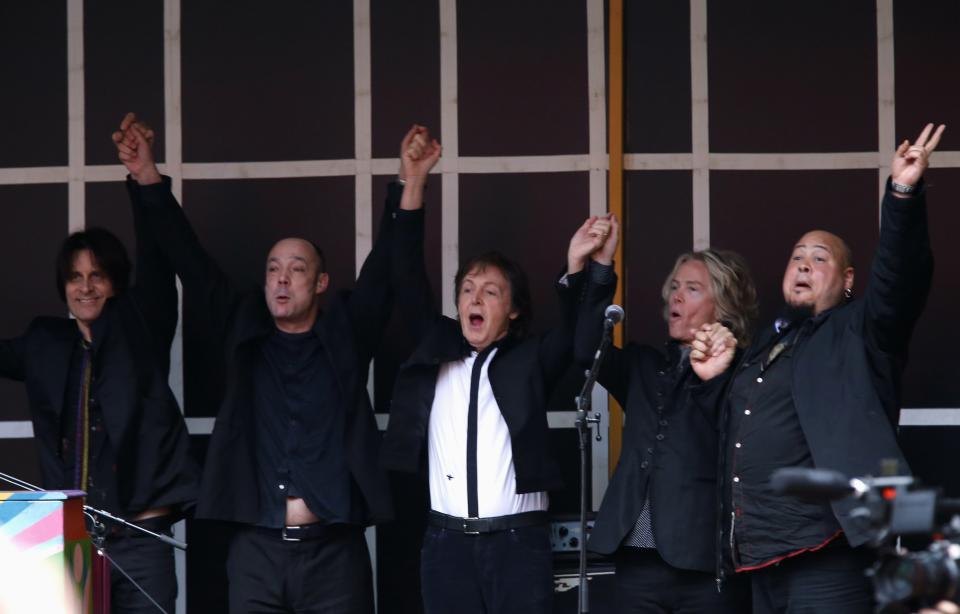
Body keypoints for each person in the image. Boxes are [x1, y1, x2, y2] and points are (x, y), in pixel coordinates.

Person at [114, 113, 406, 613]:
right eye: (273, 268)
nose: (282, 279)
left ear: (319, 283)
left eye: (296, 269)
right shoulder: (242, 328)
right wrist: (147, 176)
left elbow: (384, 270)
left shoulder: (344, 334)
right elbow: (190, 261)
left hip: (334, 554)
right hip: (256, 550)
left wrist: (410, 183)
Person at [704, 123, 945, 613]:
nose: (804, 264)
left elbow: (900, 277)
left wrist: (902, 194)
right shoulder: (764, 345)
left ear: (848, 278)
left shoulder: (860, 330)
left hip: (830, 550)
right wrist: (713, 377)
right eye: (797, 257)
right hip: (760, 557)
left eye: (819, 257)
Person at [379, 125, 613, 614]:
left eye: (490, 290)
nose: (475, 298)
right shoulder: (436, 345)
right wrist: (414, 181)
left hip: (517, 544)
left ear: (514, 310)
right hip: (445, 543)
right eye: (467, 288)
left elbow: (580, 341)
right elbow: (403, 272)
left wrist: (583, 268)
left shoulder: (529, 358)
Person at [0, 113, 199, 613]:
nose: (85, 286)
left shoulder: (140, 326)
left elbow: (158, 261)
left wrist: (145, 179)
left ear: (115, 283)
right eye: (74, 276)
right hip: (58, 531)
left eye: (97, 275)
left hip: (139, 531)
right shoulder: (46, 341)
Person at [575, 241, 757, 613]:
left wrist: (716, 372)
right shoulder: (643, 366)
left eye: (692, 289)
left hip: (705, 564)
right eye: (674, 287)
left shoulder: (745, 373)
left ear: (723, 306)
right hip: (636, 562)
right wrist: (599, 270)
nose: (676, 296)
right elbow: (585, 350)